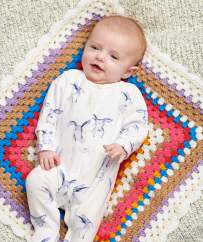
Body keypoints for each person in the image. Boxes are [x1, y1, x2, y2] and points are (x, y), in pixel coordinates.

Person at [26, 15, 148, 242]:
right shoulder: (68, 80)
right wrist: (45, 146)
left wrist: (123, 145)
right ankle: (46, 231)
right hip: (57, 165)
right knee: (35, 182)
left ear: (128, 71)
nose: (100, 57)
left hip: (95, 179)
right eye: (94, 47)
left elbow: (138, 125)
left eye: (113, 56)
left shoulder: (128, 94)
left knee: (87, 220)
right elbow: (49, 113)